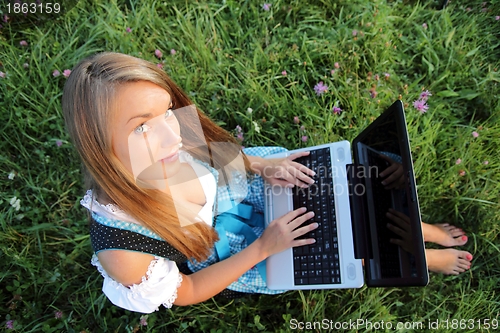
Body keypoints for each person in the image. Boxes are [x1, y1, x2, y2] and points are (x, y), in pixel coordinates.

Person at [62, 52, 472, 314]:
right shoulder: (123, 248)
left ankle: (414, 230)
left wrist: (260, 166)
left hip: (242, 186)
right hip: (234, 248)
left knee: (342, 189)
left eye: (167, 111)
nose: (172, 134)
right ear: (100, 146)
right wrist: (264, 246)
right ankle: (413, 257)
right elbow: (185, 290)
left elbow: (211, 154)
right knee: (338, 248)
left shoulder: (172, 133)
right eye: (141, 129)